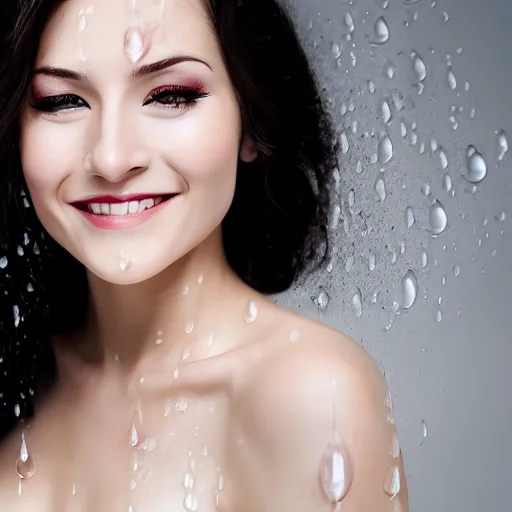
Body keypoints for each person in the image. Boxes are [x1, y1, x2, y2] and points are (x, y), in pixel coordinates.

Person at [0, 0, 409, 510]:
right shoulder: (16, 364)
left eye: (170, 95)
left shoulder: (310, 397)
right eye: (62, 101)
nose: (110, 158)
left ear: (252, 121)